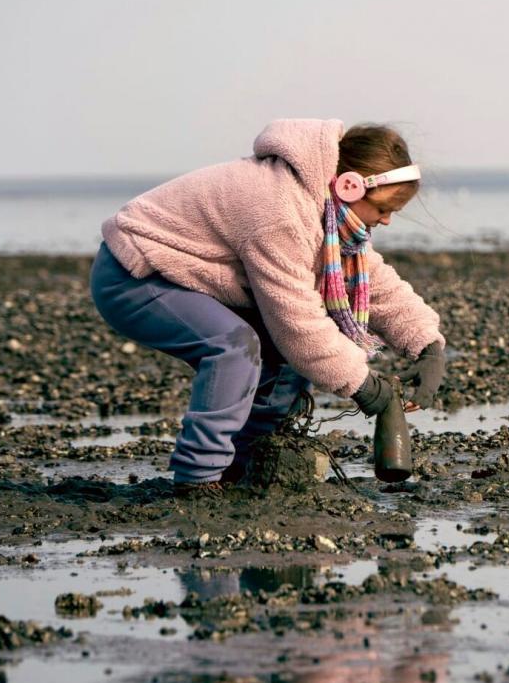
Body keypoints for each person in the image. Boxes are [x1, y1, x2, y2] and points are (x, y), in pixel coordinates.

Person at [89, 119, 445, 492]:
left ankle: (242, 463)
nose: (386, 220)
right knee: (233, 346)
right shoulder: (279, 213)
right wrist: (366, 387)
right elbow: (299, 327)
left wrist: (427, 345)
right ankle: (198, 479)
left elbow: (374, 280)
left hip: (192, 279)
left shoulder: (327, 212)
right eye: (384, 209)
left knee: (281, 353)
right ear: (350, 186)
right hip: (134, 273)